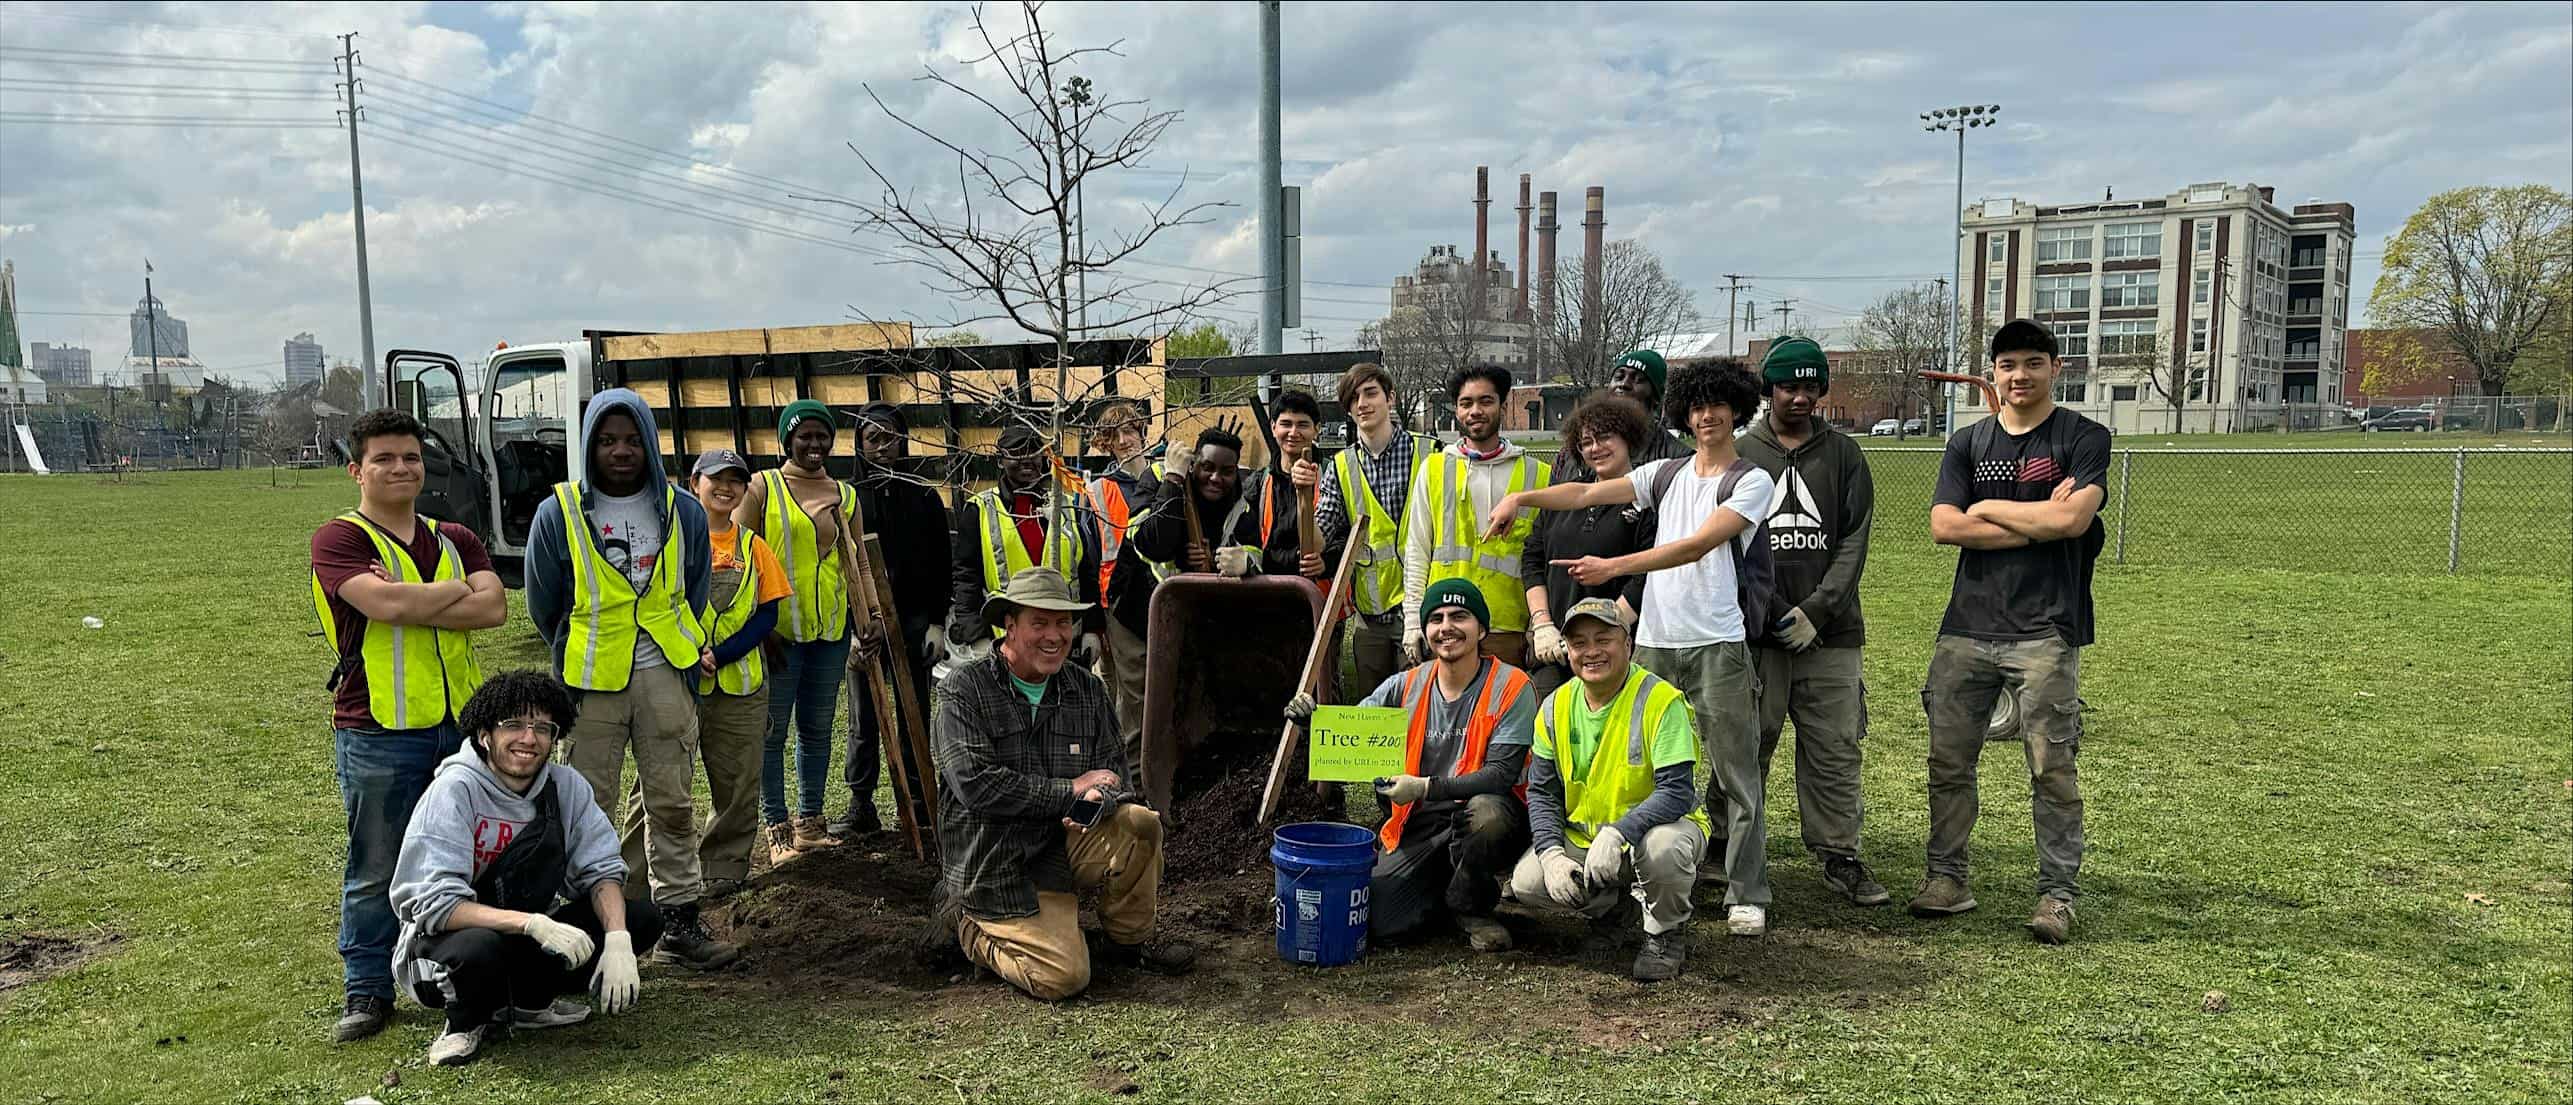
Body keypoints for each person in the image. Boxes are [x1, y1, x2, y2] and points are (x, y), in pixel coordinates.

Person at [1483, 359, 1778, 937]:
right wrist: (1523, 501)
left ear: (1738, 412)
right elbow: (1584, 491)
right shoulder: (1664, 473)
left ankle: (1747, 890)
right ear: (1685, 414)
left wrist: (1615, 566)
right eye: (1697, 407)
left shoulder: (1750, 479)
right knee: (1634, 767)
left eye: (1719, 407)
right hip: (1654, 644)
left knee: (1735, 772)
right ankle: (1622, 876)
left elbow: (1697, 545)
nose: (1707, 417)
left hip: (1716, 641)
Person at [309, 409, 506, 1043]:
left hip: (462, 725)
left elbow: (496, 607)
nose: (401, 468)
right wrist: (450, 593)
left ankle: (467, 979)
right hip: (377, 728)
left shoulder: (454, 533)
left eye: (411, 457)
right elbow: (385, 606)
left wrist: (415, 596)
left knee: (471, 857)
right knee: (376, 863)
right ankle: (366, 989)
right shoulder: (338, 540)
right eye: (385, 459)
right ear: (356, 470)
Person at [525, 388, 737, 968]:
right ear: (589, 445)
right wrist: (577, 648)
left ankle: (680, 925)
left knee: (671, 802)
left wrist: (682, 649)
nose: (620, 451)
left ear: (648, 442)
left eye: (630, 440)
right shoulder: (560, 511)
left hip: (666, 675)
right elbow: (545, 603)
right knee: (588, 804)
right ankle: (589, 929)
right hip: (591, 682)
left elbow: (692, 589)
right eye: (606, 440)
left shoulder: (682, 511)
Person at [1914, 319, 2110, 945]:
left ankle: (2057, 895)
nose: (2019, 375)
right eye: (2007, 365)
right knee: (1949, 762)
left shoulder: (2084, 437)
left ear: (2056, 368)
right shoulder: (1968, 443)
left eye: (2033, 362)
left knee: (2051, 765)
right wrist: (2039, 519)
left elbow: (2076, 518)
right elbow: (1944, 526)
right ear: (1993, 373)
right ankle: (1947, 879)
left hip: (2045, 629)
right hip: (1967, 628)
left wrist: (1989, 507)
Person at [932, 568, 1196, 1001]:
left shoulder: (1086, 690)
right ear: (1009, 625)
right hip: (994, 865)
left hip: (1060, 849)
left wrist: (1098, 802)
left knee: (1140, 823)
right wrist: (1070, 791)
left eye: (1062, 622)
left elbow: (1115, 777)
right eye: (1039, 622)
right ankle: (972, 931)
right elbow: (976, 785)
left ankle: (1126, 945)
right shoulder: (965, 691)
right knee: (1065, 978)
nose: (1055, 635)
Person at [389, 670, 661, 1066]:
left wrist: (618, 939)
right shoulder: (453, 790)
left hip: (520, 931)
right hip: (443, 946)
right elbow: (436, 905)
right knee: (478, 947)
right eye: (513, 724)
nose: (529, 739)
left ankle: (528, 1005)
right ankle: (463, 1022)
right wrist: (533, 924)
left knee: (640, 917)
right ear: (485, 735)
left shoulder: (566, 787)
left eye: (542, 728)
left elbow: (601, 868)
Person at [1286, 578, 1532, 950]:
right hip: (1419, 822)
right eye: (1436, 618)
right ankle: (1443, 889)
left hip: (1488, 816)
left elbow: (1500, 776)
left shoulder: (1512, 685)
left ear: (1481, 628)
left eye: (1459, 616)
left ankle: (1472, 908)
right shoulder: (1404, 685)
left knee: (1487, 816)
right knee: (1380, 921)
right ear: (1427, 631)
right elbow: (1351, 734)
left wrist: (1423, 786)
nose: (1446, 627)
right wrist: (1313, 723)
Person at [1731, 337, 1888, 907]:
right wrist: (1773, 611)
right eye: (1786, 386)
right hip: (1759, 634)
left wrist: (1818, 610)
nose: (1798, 397)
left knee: (1834, 746)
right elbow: (1732, 543)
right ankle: (1724, 848)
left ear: (1821, 390)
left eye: (1809, 387)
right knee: (1746, 743)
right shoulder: (1742, 453)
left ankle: (1838, 853)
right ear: (1768, 390)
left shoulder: (1843, 455)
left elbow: (1854, 539)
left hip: (1831, 634)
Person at [1510, 598, 1706, 982]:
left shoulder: (1660, 700)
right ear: (1568, 651)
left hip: (1657, 832)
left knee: (1663, 851)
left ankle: (1665, 932)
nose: (1592, 651)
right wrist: (1551, 855)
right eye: (1580, 643)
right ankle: (1613, 911)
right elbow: (1543, 792)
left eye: (1604, 639)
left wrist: (1619, 833)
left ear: (1628, 644)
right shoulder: (1554, 707)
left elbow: (1677, 791)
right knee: (1528, 882)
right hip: (1586, 837)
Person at [735, 400, 878, 858]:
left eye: (822, 436)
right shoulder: (763, 488)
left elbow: (857, 559)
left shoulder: (845, 494)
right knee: (771, 731)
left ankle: (809, 823)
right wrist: (758, 624)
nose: (815, 445)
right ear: (787, 440)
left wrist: (869, 615)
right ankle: (777, 830)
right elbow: (738, 557)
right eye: (805, 436)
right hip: (779, 635)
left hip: (829, 634)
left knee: (817, 729)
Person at [833, 402, 953, 839]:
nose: (883, 446)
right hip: (864, 624)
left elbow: (943, 564)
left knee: (914, 715)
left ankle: (922, 802)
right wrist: (851, 630)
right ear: (860, 445)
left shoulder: (923, 496)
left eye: (890, 436)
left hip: (915, 622)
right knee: (864, 720)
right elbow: (839, 567)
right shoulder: (847, 498)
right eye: (873, 438)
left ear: (903, 440)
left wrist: (939, 623)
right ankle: (861, 803)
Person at [685, 450, 791, 896]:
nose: (725, 488)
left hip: (740, 684)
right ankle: (651, 877)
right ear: (695, 484)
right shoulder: (678, 543)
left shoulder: (753, 547)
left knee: (739, 782)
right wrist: (691, 654)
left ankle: (723, 871)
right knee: (664, 783)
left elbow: (768, 614)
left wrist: (722, 654)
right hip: (682, 680)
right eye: (716, 479)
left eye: (735, 481)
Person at [1406, 365, 1550, 668]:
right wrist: (1412, 620)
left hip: (1508, 630)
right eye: (1466, 403)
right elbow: (1417, 550)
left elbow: (1544, 560)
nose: (1475, 411)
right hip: (1447, 626)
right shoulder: (1434, 469)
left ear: (1502, 405)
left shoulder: (1538, 475)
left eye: (1486, 401)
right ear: (1456, 410)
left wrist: (1539, 624)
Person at [1316, 362, 1439, 701]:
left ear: (1391, 399)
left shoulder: (1431, 454)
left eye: (1371, 393)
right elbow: (1317, 537)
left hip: (1423, 609)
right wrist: (1301, 496)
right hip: (1370, 619)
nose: (1362, 404)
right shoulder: (1340, 467)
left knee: (1421, 710)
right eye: (1353, 398)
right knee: (1375, 713)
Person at [1520, 396, 1655, 700]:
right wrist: (1542, 624)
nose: (1596, 448)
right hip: (1554, 649)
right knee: (1548, 731)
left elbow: (1647, 577)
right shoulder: (1562, 497)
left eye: (1605, 437)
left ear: (1628, 438)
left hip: (1618, 649)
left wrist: (1601, 633)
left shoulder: (1648, 501)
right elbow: (1532, 559)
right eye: (1586, 442)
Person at [948, 424, 1101, 664]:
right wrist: (977, 637)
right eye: (1016, 453)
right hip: (1006, 642)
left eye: (1034, 452)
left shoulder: (1065, 507)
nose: (1027, 460)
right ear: (1000, 461)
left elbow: (1085, 572)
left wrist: (1092, 629)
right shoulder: (980, 509)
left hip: (1063, 641)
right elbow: (967, 578)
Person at [1084, 397, 1173, 776]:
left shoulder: (1166, 477)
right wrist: (1095, 621)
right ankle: (1135, 778)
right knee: (1131, 696)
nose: (1124, 440)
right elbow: (1089, 557)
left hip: (1166, 594)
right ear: (1104, 442)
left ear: (1142, 431)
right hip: (1119, 603)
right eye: (1113, 434)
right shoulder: (1098, 492)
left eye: (1130, 430)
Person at [1129, 426, 1302, 578]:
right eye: (1207, 467)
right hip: (1147, 601)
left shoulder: (1241, 501)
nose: (1215, 478)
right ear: (1192, 464)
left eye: (1226, 472)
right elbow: (1152, 545)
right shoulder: (1158, 477)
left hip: (1200, 604)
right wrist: (1173, 480)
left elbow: (1255, 551)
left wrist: (1237, 561)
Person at [1551, 349, 1685, 484]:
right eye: (1619, 377)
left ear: (1656, 397)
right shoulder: (1571, 454)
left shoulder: (1678, 459)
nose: (1624, 384)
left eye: (1638, 379)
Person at [1262, 388, 1334, 581]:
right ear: (1273, 427)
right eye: (1286, 424)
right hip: (1270, 595)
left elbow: (1346, 535)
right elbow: (1249, 539)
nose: (1293, 432)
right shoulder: (1260, 484)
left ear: (1316, 429)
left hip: (1321, 601)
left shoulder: (1332, 476)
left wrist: (1327, 562)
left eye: (1302, 424)